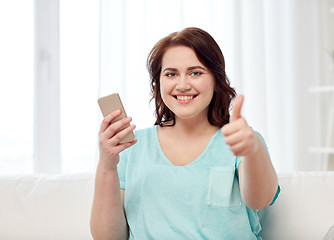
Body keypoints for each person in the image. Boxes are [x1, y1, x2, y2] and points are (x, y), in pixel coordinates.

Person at [90, 27, 280, 240]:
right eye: (171, 74)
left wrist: (252, 150)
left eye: (195, 73)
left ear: (217, 80)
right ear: (158, 83)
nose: (182, 85)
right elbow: (108, 238)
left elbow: (261, 200)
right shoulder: (131, 148)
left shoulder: (242, 141)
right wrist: (106, 165)